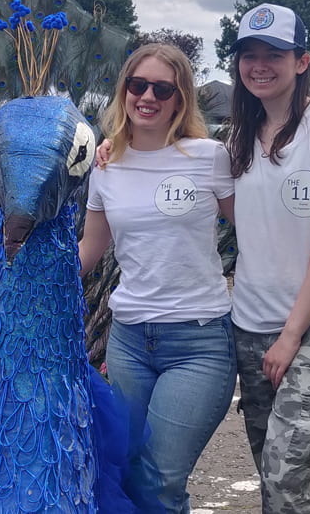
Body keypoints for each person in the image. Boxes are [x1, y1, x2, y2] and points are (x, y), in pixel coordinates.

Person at [77, 43, 236, 512]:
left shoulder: (209, 157)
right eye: (137, 84)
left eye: (162, 88)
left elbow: (253, 226)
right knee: (128, 472)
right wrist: (26, 278)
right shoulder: (106, 166)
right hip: (128, 341)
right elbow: (90, 249)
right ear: (123, 89)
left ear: (180, 98)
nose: (147, 96)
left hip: (199, 341)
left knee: (161, 479)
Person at [226, 3, 310, 513]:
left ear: (302, 62)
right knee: (272, 468)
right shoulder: (240, 133)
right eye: (249, 55)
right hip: (251, 324)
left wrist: (290, 335)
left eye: (274, 55)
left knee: (288, 470)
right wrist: (114, 149)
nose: (259, 65)